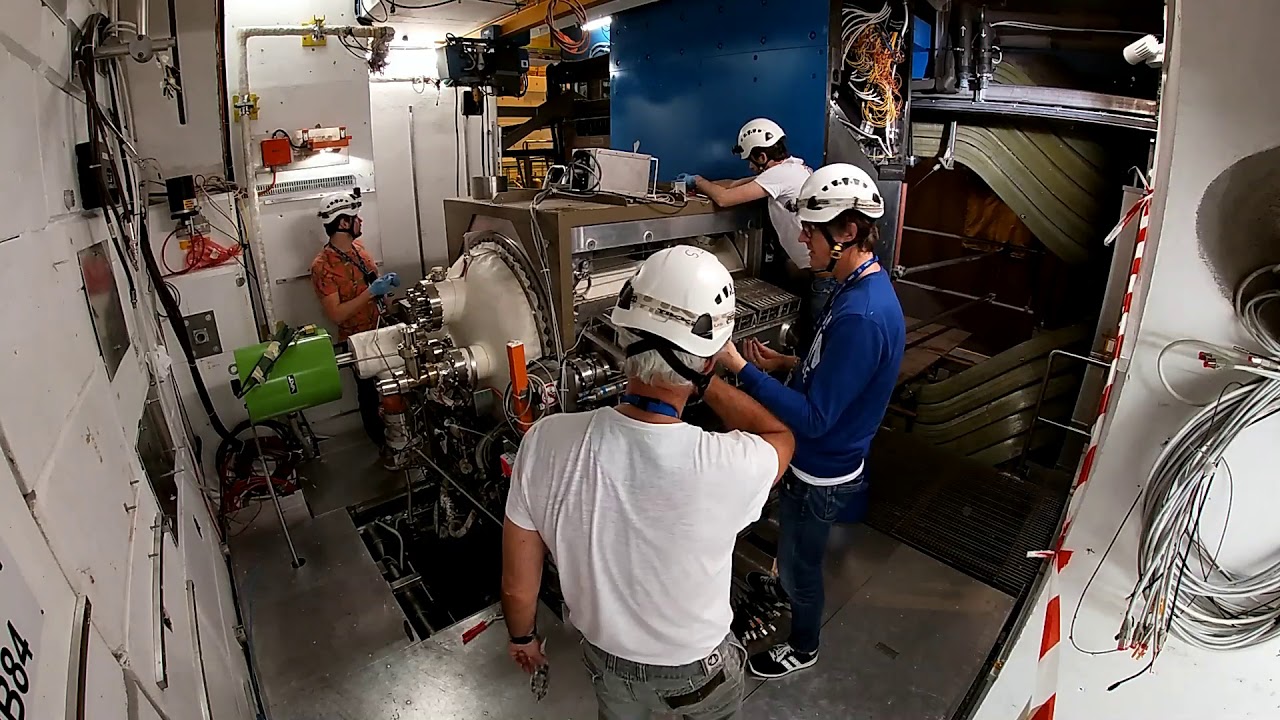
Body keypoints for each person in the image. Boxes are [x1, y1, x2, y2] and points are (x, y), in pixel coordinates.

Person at [501, 246, 795, 719]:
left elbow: (519, 586)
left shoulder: (545, 441)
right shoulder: (727, 463)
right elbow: (780, 436)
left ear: (622, 337)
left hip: (611, 669)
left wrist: (523, 637)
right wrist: (709, 378)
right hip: (701, 675)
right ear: (706, 360)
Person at [715, 163, 905, 679]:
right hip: (821, 455)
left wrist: (739, 370)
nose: (802, 237)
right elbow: (838, 372)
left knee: (802, 566)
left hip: (821, 468)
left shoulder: (863, 315)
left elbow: (818, 418)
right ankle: (787, 586)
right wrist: (782, 365)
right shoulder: (855, 287)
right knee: (794, 551)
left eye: (811, 230)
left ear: (846, 232)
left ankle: (802, 646)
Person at [675, 119, 824, 330]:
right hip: (813, 268)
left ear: (763, 156)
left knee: (818, 332)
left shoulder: (780, 175)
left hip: (820, 276)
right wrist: (699, 186)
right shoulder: (793, 168)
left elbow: (725, 199)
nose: (750, 166)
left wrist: (698, 181)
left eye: (751, 161)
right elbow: (735, 184)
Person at [309, 191, 400, 447]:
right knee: (370, 396)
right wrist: (370, 293)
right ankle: (383, 445)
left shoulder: (359, 249)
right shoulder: (322, 266)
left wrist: (386, 289)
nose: (361, 221)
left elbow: (373, 280)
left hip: (383, 329)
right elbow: (336, 314)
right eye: (355, 217)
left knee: (395, 387)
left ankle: (402, 436)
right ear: (343, 223)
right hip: (359, 342)